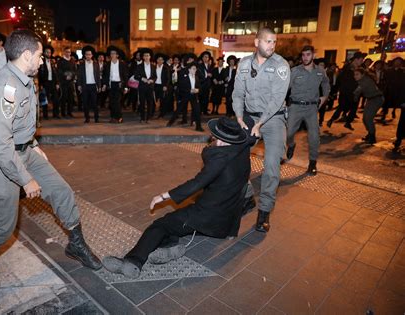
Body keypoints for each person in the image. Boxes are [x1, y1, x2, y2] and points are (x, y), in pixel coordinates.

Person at [0, 30, 101, 297]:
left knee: (61, 191)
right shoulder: (7, 87)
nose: (42, 61)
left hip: (23, 150)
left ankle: (76, 244)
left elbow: (19, 126)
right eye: (39, 56)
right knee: (3, 226)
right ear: (27, 55)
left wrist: (34, 145)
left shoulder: (23, 80)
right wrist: (25, 179)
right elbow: (0, 142)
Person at [102, 116, 257, 278]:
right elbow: (252, 133)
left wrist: (164, 196)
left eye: (215, 137)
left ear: (222, 141)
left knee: (160, 225)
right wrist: (254, 127)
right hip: (226, 221)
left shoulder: (219, 159)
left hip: (206, 215)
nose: (212, 139)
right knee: (175, 226)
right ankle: (168, 247)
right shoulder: (243, 148)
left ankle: (133, 262)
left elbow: (197, 183)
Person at [233, 27, 290, 233]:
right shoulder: (245, 63)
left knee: (272, 166)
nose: (272, 46)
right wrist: (239, 116)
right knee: (234, 157)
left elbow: (276, 99)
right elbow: (238, 92)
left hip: (273, 118)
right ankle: (247, 197)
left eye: (274, 42)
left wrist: (260, 124)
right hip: (249, 115)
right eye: (268, 41)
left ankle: (264, 212)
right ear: (256, 42)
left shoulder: (281, 65)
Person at [285, 45, 330, 175]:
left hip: (311, 108)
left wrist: (324, 97)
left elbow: (326, 83)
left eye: (308, 55)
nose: (305, 58)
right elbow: (286, 88)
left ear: (313, 55)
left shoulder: (320, 71)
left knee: (314, 136)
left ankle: (312, 163)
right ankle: (291, 145)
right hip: (295, 107)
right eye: (303, 55)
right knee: (288, 134)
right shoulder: (295, 71)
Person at [327, 52, 366, 130]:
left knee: (353, 109)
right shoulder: (347, 68)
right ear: (356, 60)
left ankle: (347, 123)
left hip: (355, 93)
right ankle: (332, 119)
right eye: (361, 60)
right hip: (346, 92)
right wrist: (334, 91)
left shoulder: (360, 69)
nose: (362, 62)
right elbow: (340, 79)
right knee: (341, 107)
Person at [167, 62, 204, 132]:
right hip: (186, 96)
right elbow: (181, 88)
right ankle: (170, 122)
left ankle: (198, 127)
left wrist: (197, 90)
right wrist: (190, 90)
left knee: (197, 110)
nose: (195, 70)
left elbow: (200, 88)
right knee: (179, 109)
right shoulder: (184, 77)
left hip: (194, 96)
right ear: (189, 70)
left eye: (195, 69)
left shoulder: (196, 77)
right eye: (193, 69)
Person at [353, 68, 384, 144]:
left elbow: (357, 91)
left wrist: (354, 98)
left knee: (368, 118)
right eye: (354, 74)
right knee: (365, 119)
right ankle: (370, 133)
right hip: (371, 99)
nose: (355, 76)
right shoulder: (362, 80)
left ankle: (372, 137)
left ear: (362, 74)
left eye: (357, 74)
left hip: (377, 99)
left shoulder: (365, 81)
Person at [102, 45, 128, 123]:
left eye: (114, 53)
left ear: (117, 55)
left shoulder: (122, 64)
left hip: (119, 84)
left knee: (117, 102)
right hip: (111, 85)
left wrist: (126, 87)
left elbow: (125, 76)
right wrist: (104, 85)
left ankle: (119, 117)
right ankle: (113, 117)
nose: (112, 55)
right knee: (111, 102)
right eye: (111, 53)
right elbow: (105, 76)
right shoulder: (107, 64)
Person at [77, 45, 101, 123]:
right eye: (86, 54)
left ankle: (96, 118)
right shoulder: (81, 64)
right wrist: (79, 85)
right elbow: (79, 76)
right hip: (85, 86)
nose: (88, 56)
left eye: (89, 54)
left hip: (93, 85)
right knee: (85, 103)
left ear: (92, 55)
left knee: (95, 103)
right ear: (84, 55)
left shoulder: (96, 64)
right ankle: (87, 118)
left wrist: (99, 86)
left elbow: (98, 76)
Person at [134, 48, 156, 123]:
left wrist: (152, 80)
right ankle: (142, 118)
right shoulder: (139, 66)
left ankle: (148, 118)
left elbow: (155, 76)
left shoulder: (153, 66)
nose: (146, 57)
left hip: (150, 87)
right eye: (145, 56)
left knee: (150, 103)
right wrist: (142, 78)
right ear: (143, 57)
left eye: (148, 55)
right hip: (142, 87)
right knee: (142, 103)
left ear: (150, 57)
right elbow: (135, 76)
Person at [38, 45, 59, 119]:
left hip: (53, 83)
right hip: (45, 83)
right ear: (44, 52)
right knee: (45, 100)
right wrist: (40, 84)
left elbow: (56, 73)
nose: (48, 54)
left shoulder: (53, 62)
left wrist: (57, 83)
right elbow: (39, 74)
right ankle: (45, 115)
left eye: (49, 52)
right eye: (47, 52)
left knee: (56, 99)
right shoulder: (41, 62)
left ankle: (56, 114)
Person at [57, 47, 77, 118]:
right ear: (64, 52)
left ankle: (69, 112)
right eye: (67, 52)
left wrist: (71, 76)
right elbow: (59, 71)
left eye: (69, 52)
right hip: (63, 82)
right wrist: (66, 76)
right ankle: (63, 113)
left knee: (70, 98)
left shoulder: (72, 60)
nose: (68, 53)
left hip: (70, 82)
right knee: (64, 97)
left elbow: (74, 70)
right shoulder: (61, 61)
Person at [154, 53, 170, 118]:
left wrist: (166, 86)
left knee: (162, 100)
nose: (160, 61)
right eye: (158, 59)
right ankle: (152, 112)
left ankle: (162, 113)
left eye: (161, 60)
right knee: (154, 99)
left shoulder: (166, 68)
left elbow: (168, 78)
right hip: (155, 85)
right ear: (157, 60)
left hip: (162, 86)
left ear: (163, 61)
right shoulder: (154, 67)